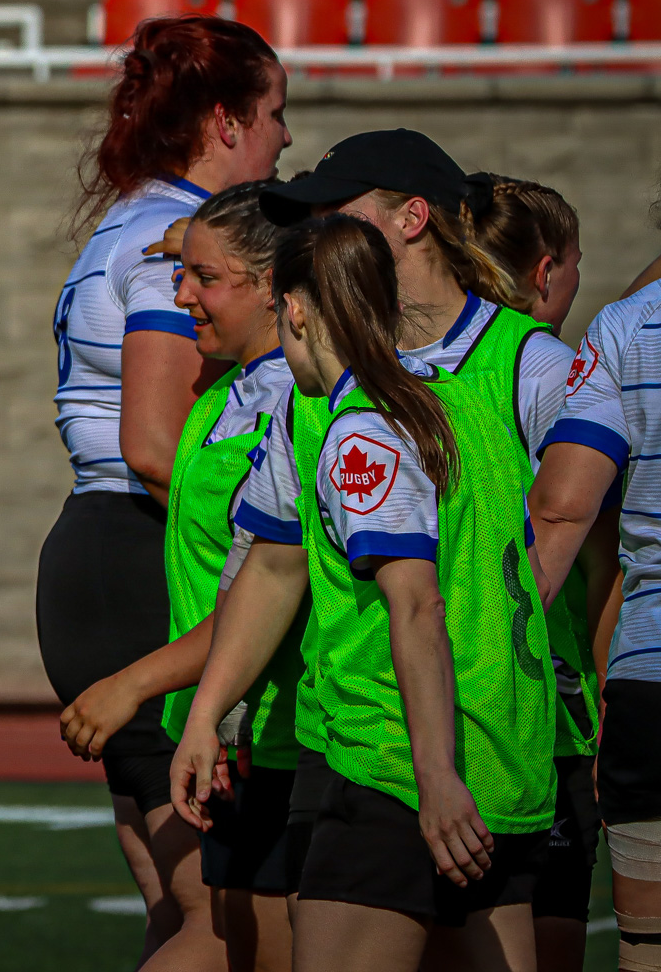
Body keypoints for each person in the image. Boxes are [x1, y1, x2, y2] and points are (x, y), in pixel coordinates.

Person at [180, 214, 554, 972]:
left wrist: (433, 775)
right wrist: (205, 713)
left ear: (295, 309)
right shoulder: (461, 407)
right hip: (502, 762)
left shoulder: (363, 433)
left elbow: (416, 604)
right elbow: (276, 567)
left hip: (396, 765)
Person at [40, 14, 290, 962]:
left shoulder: (141, 215)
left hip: (108, 553)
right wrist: (278, 536)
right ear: (226, 122)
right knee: (224, 928)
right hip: (147, 556)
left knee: (179, 913)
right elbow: (154, 443)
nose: (285, 137)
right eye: (275, 112)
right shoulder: (167, 238)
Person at [472, 175, 615, 972]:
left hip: (430, 684)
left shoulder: (419, 356)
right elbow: (599, 553)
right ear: (547, 270)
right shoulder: (554, 368)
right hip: (542, 699)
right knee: (543, 936)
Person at [529, 269, 661, 972]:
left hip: (650, 674)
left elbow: (560, 510)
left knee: (647, 954)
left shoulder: (626, 325)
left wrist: (483, 658)